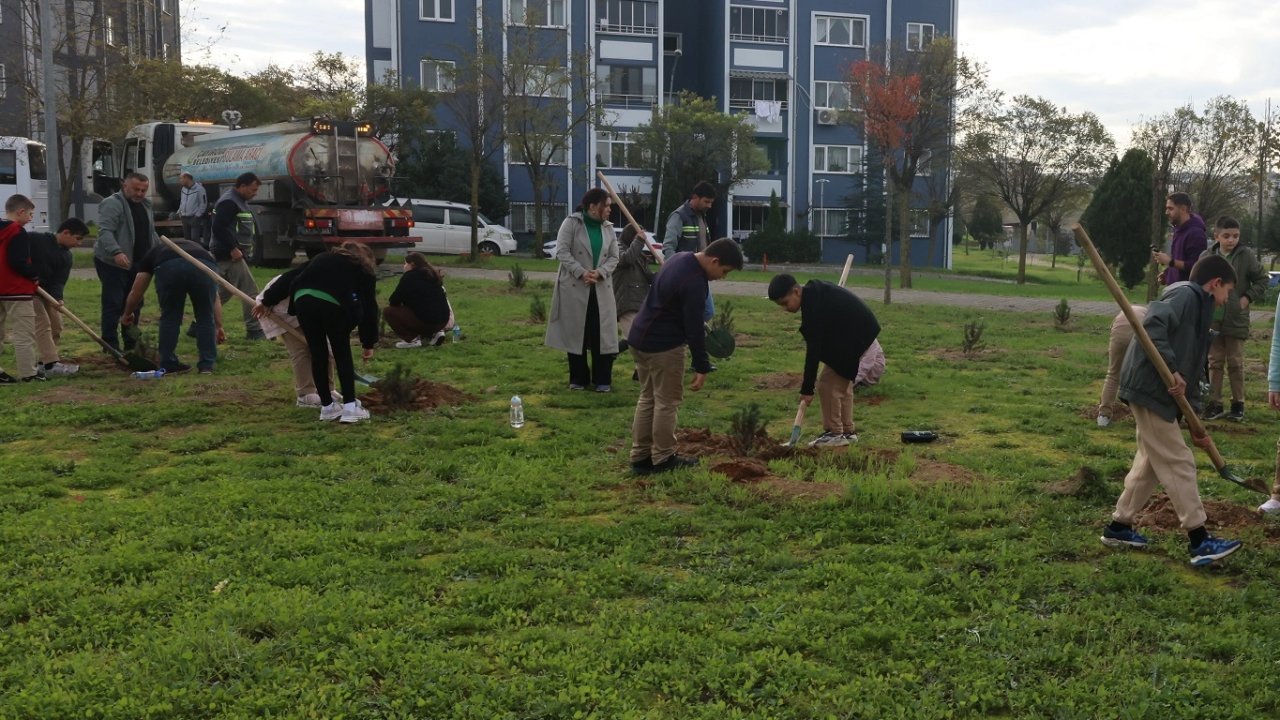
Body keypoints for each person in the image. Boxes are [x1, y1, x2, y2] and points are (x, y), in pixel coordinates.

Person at [1100, 254, 1243, 567]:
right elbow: (1152, 324)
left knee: (1150, 462)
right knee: (1179, 461)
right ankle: (1199, 540)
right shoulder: (1184, 294)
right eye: (1227, 292)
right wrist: (1172, 368)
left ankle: (1119, 527)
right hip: (1150, 389)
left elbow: (1191, 367)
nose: (1226, 299)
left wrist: (1193, 416)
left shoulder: (1200, 310)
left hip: (1158, 394)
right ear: (1216, 283)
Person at [628, 237, 744, 474]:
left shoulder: (679, 258)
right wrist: (702, 366)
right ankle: (663, 457)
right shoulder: (695, 283)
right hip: (663, 346)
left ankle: (640, 457)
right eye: (724, 271)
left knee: (648, 397)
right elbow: (694, 328)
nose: (723, 277)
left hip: (639, 337)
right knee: (666, 402)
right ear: (714, 260)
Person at [256, 241, 378, 424]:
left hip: (303, 301)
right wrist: (368, 343)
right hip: (332, 304)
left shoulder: (321, 258)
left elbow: (290, 276)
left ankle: (327, 408)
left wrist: (267, 300)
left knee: (318, 352)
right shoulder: (363, 271)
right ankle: (351, 408)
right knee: (342, 353)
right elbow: (370, 309)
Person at [767, 273, 881, 447]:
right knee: (842, 382)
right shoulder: (814, 295)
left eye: (785, 303)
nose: (785, 309)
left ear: (797, 292)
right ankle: (847, 432)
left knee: (827, 385)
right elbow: (817, 346)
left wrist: (807, 389)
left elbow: (813, 351)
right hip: (855, 333)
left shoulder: (814, 307)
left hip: (856, 335)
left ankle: (835, 433)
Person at [544, 188, 620, 392]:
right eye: (607, 205)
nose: (609, 210)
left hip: (601, 287)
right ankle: (578, 378)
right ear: (593, 207)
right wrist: (581, 272)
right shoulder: (571, 223)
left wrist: (600, 272)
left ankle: (602, 379)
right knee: (576, 332)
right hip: (576, 287)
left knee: (602, 334)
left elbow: (614, 256)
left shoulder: (608, 228)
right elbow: (562, 251)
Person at [120, 237, 225, 374]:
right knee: (205, 315)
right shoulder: (201, 250)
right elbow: (214, 298)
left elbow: (136, 291)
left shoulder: (153, 253)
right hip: (204, 266)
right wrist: (218, 325)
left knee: (171, 316)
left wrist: (127, 313)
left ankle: (168, 363)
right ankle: (206, 366)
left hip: (169, 267)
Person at [1199, 216, 1267, 422]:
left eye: (1235, 236)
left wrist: (1246, 298)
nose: (1231, 240)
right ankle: (1215, 403)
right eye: (1226, 236)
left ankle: (1238, 404)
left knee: (1236, 362)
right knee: (1214, 362)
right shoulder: (1206, 256)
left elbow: (1262, 279)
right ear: (1216, 236)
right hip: (1212, 318)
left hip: (1236, 318)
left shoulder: (1246, 256)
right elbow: (1197, 281)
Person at [255, 263, 338, 407]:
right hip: (279, 305)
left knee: (324, 347)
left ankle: (327, 389)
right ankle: (305, 393)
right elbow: (287, 280)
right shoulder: (320, 268)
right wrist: (266, 302)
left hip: (309, 309)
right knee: (301, 350)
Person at [94, 172, 157, 351]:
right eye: (136, 189)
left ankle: (131, 342)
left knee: (134, 303)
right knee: (114, 303)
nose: (140, 193)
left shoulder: (146, 205)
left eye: (143, 190)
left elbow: (151, 234)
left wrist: (159, 252)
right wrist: (116, 252)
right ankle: (110, 344)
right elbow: (105, 231)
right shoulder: (112, 203)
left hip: (139, 264)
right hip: (113, 263)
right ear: (125, 186)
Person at [29, 218, 90, 378]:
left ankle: (43, 363)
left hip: (46, 293)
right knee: (43, 323)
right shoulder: (36, 239)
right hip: (27, 290)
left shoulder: (66, 257)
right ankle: (51, 364)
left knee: (56, 326)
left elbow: (58, 281)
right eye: (77, 238)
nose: (79, 244)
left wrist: (58, 298)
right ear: (65, 232)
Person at [210, 172, 266, 340]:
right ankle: (254, 330)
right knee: (250, 292)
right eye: (253, 190)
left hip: (230, 254)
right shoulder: (229, 202)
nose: (255, 193)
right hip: (230, 254)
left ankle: (199, 324)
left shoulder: (238, 201)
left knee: (223, 293)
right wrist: (233, 248)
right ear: (242, 186)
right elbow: (219, 227)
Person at [0, 195, 41, 382]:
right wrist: (34, 274)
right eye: (31, 214)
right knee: (24, 333)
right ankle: (28, 373)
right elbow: (18, 261)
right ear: (20, 212)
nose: (31, 219)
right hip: (16, 290)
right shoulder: (17, 232)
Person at [385, 252, 450, 348]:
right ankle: (435, 333)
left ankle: (411, 340)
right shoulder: (432, 274)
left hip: (427, 321)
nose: (404, 266)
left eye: (405, 263)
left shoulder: (409, 277)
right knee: (426, 309)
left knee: (389, 311)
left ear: (412, 264)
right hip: (443, 320)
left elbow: (394, 301)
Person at [1096, 306, 1148, 427]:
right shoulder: (1151, 313)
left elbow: (1112, 328)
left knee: (1113, 374)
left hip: (1119, 331)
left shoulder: (1123, 312)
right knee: (1142, 375)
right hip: (1140, 333)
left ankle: (1103, 416)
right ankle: (1142, 417)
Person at [1152, 192, 1207, 286]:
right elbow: (1180, 259)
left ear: (1183, 209)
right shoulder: (1179, 230)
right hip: (1175, 290)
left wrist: (1170, 261)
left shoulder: (1196, 234)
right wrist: (1168, 274)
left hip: (1187, 293)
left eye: (1170, 208)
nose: (1166, 212)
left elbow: (1196, 266)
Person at [612, 224, 656, 341]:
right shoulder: (617, 248)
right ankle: (607, 356)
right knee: (635, 340)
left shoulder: (639, 254)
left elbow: (649, 276)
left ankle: (609, 355)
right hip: (627, 302)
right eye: (639, 236)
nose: (644, 240)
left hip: (640, 302)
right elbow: (627, 259)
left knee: (637, 340)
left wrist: (666, 274)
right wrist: (639, 240)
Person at [662, 181, 715, 259]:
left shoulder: (702, 216)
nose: (709, 206)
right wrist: (674, 267)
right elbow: (669, 246)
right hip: (683, 269)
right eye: (706, 202)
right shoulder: (679, 216)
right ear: (695, 197)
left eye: (711, 203)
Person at [177, 172, 209, 248]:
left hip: (194, 218)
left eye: (181, 178)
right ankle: (189, 255)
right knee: (187, 239)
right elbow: (182, 201)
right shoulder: (183, 189)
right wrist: (179, 212)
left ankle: (198, 254)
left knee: (195, 239)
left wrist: (197, 215)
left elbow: (203, 203)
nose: (180, 180)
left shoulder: (200, 189)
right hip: (184, 217)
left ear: (187, 178)